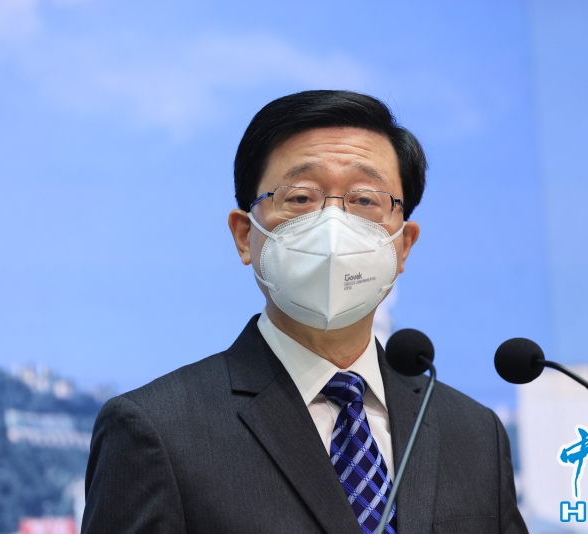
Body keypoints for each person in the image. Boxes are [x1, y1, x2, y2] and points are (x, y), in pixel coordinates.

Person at [81, 90, 527, 534]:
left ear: (403, 245)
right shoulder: (157, 430)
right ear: (245, 236)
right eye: (300, 198)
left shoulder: (473, 433)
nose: (333, 227)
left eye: (364, 200)